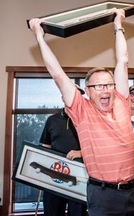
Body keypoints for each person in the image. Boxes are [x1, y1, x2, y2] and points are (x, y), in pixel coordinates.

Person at [29, 8, 134, 216]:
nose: (105, 89)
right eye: (99, 86)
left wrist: (118, 24)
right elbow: (57, 74)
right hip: (103, 196)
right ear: (88, 91)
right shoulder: (81, 110)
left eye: (109, 85)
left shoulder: (121, 101)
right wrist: (40, 37)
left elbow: (123, 60)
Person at [39, 86, 87, 216]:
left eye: (77, 96)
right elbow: (45, 147)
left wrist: (81, 153)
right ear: (62, 97)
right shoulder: (52, 120)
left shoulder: (88, 120)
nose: (73, 99)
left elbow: (98, 147)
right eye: (69, 94)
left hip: (79, 179)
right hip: (54, 177)